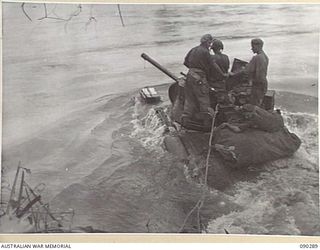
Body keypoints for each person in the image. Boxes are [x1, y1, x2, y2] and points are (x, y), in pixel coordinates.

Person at [182, 34, 227, 126]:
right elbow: (213, 66)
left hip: (190, 75)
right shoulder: (205, 52)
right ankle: (207, 124)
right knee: (204, 100)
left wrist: (194, 67)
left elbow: (185, 62)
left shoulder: (193, 49)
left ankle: (185, 121)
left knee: (189, 100)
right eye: (210, 43)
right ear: (207, 42)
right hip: (199, 77)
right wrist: (222, 75)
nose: (210, 46)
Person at [246, 38, 269, 106]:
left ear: (257, 46)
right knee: (259, 103)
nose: (251, 49)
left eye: (252, 46)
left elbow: (246, 71)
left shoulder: (256, 58)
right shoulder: (265, 57)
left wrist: (233, 74)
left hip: (257, 85)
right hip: (264, 84)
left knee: (253, 105)